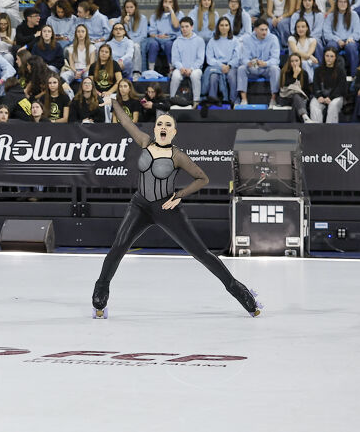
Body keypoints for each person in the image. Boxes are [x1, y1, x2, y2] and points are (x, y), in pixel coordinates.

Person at [91, 100, 261, 319]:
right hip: (140, 205)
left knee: (201, 253)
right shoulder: (144, 141)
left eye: (167, 125)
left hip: (166, 208)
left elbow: (203, 178)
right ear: (155, 129)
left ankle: (240, 292)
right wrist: (113, 102)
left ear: (174, 132)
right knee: (118, 247)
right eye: (160, 124)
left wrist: (178, 196)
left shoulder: (177, 156)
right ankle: (100, 294)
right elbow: (125, 121)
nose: (163, 127)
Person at [236, 19, 281, 107]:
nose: (264, 32)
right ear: (255, 29)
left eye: (266, 29)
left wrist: (265, 63)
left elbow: (276, 59)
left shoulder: (273, 38)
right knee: (241, 68)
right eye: (262, 30)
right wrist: (248, 63)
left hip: (267, 68)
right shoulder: (247, 39)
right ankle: (244, 99)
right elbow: (244, 58)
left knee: (275, 69)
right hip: (253, 68)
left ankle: (273, 99)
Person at [169, 17, 207, 105]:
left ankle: (196, 101)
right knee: (175, 75)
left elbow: (200, 59)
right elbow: (175, 59)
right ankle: (172, 99)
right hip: (181, 68)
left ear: (192, 27)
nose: (184, 29)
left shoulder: (199, 41)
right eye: (182, 27)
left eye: (187, 26)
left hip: (195, 69)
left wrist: (191, 69)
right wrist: (181, 68)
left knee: (194, 75)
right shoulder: (177, 42)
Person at [204, 17, 240, 105]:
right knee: (213, 77)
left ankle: (233, 100)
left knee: (232, 76)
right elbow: (209, 58)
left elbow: (237, 57)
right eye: (222, 25)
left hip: (230, 66)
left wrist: (229, 66)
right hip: (216, 66)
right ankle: (212, 101)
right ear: (218, 27)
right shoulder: (212, 41)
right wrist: (220, 65)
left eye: (226, 25)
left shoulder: (235, 40)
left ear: (229, 27)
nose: (224, 27)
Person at [145, 0, 182, 73]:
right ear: (162, 3)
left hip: (171, 39)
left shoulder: (179, 14)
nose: (167, 4)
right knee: (152, 44)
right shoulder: (155, 16)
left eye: (170, 2)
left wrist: (171, 11)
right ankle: (151, 69)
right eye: (165, 2)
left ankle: (171, 69)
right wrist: (158, 36)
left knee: (169, 44)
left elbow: (176, 26)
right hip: (158, 38)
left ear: (174, 3)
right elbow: (151, 32)